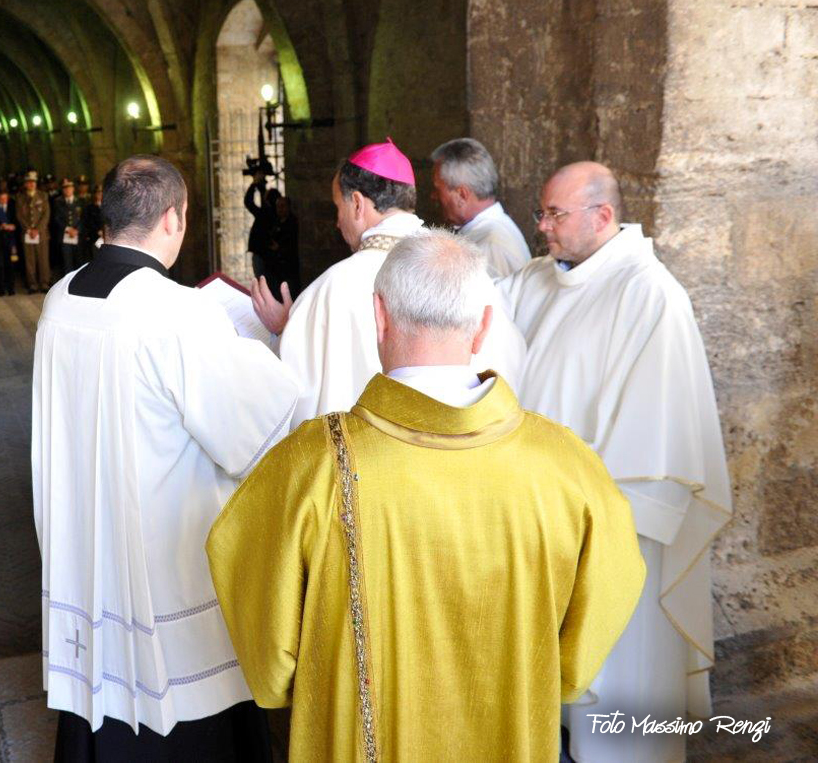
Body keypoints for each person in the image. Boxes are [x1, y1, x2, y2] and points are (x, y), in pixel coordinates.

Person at [208, 230, 644, 762]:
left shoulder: (312, 464)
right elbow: (610, 590)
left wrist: (286, 681)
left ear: (379, 317)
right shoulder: (565, 465)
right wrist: (554, 672)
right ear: (483, 326)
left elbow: (249, 588)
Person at [34, 156, 300, 762]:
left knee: (104, 683)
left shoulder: (58, 299)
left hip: (87, 543)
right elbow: (254, 427)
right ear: (174, 219)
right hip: (162, 556)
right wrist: (277, 342)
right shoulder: (177, 310)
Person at [499, 162, 733, 763]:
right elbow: (472, 314)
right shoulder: (539, 278)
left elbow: (656, 436)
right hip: (545, 520)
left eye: (554, 214)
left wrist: (588, 515)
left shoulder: (649, 295)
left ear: (602, 216)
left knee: (621, 684)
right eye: (542, 213)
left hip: (616, 526)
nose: (541, 226)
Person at [252, 140, 525, 426]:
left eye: (338, 208)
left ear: (357, 204)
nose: (337, 222)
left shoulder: (332, 288)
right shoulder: (470, 272)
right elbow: (510, 365)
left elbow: (290, 400)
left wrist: (286, 330)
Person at [430, 138, 530, 277]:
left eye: (438, 189)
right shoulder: (489, 233)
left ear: (462, 195)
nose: (433, 196)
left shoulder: (490, 245)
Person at [17, 171, 51, 293]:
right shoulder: (20, 198)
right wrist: (28, 229)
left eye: (33, 182)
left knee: (43, 259)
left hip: (41, 233)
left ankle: (44, 282)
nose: (31, 184)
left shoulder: (43, 196)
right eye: (29, 182)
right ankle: (32, 284)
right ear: (25, 184)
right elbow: (19, 216)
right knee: (29, 260)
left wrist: (37, 229)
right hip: (28, 234)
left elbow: (46, 214)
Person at [0, 187, 19, 295]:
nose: (3, 200)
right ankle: (1, 289)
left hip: (11, 241)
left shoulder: (13, 207)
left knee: (11, 265)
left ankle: (11, 288)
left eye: (5, 199)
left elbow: (18, 221)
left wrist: (13, 226)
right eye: (1, 199)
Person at [53, 178, 82, 276]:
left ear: (73, 188)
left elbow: (84, 218)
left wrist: (77, 229)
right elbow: (56, 218)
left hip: (77, 235)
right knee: (67, 262)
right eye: (65, 188)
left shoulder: (80, 201)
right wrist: (68, 229)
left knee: (78, 260)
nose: (67, 190)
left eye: (69, 187)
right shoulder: (58, 202)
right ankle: (67, 282)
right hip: (64, 235)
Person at [79, 185, 104, 263]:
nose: (99, 194)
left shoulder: (107, 206)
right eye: (97, 193)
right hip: (93, 237)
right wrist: (98, 231)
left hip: (106, 236)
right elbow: (87, 221)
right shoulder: (89, 207)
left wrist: (105, 231)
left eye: (101, 192)